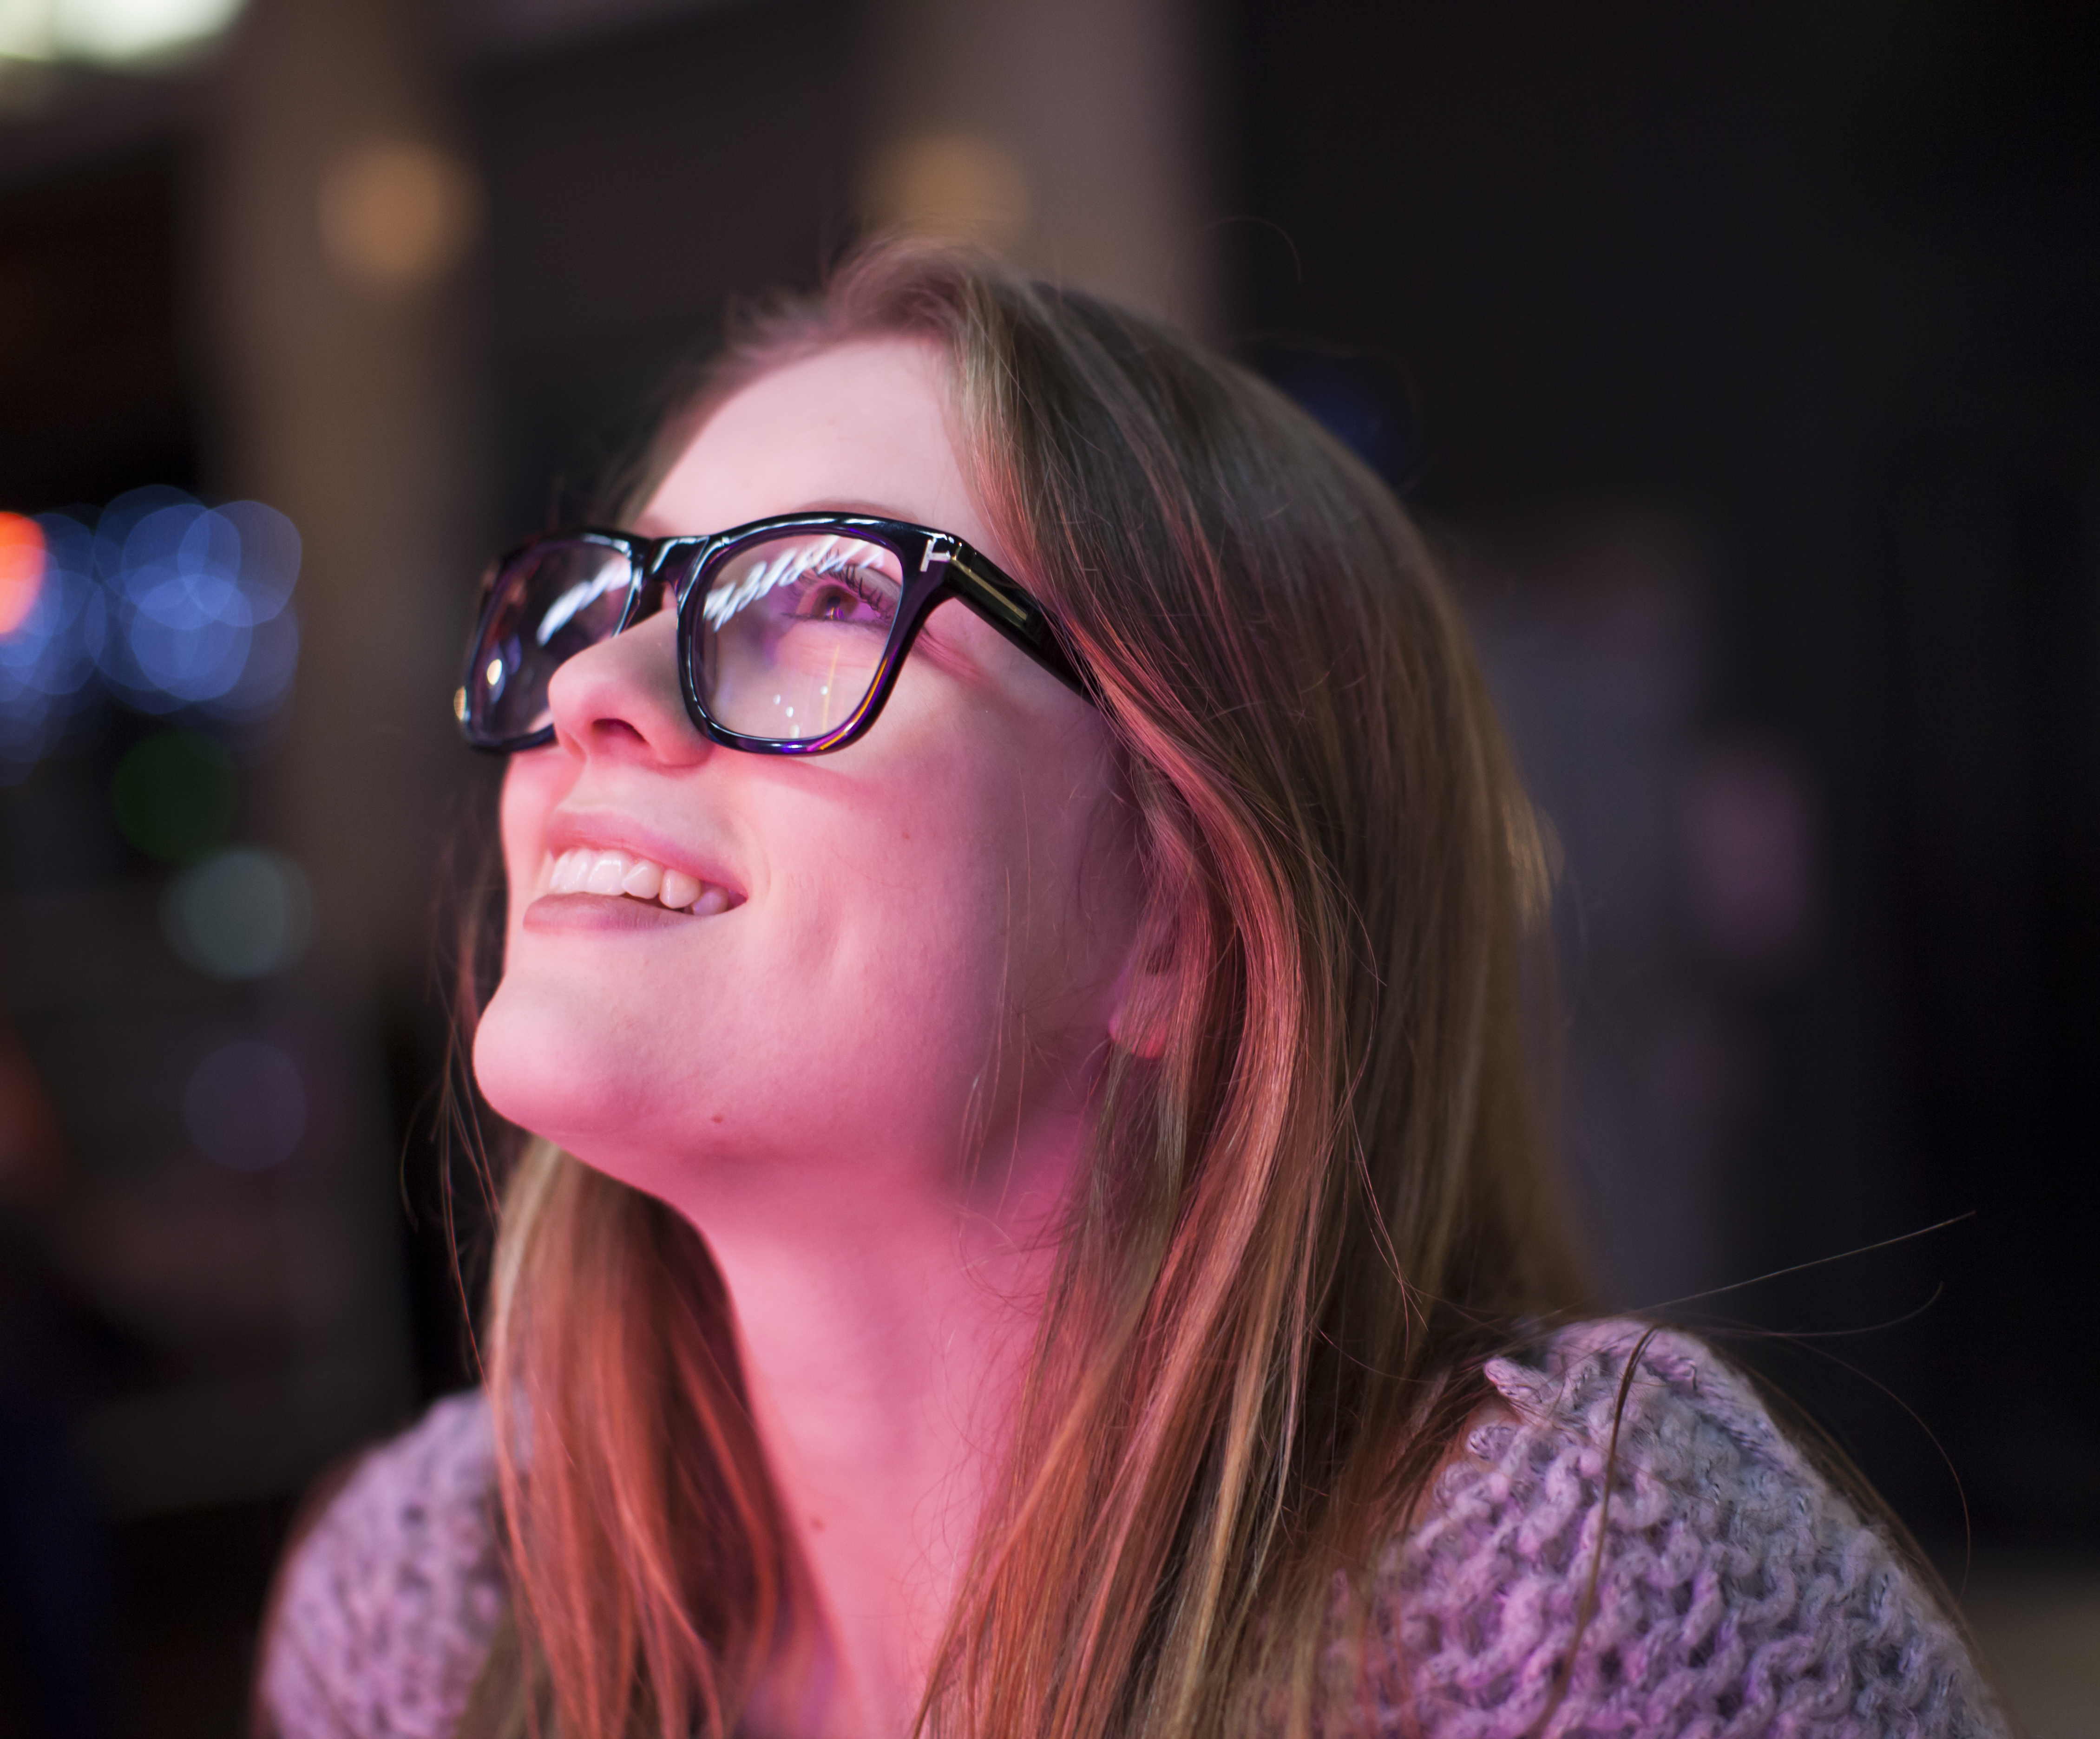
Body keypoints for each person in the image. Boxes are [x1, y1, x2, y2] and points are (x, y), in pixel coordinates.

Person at [257, 239, 2007, 1739]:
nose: (594, 690)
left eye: (819, 597)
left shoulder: (1571, 1622)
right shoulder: (426, 1611)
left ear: (1179, 916)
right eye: (603, 594)